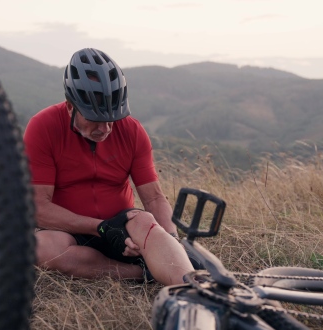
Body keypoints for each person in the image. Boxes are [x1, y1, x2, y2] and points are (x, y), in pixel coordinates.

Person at [23, 48, 198, 286]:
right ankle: (143, 274)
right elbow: (38, 207)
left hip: (121, 224)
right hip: (67, 230)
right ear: (70, 106)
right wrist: (101, 228)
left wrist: (172, 240)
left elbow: (154, 198)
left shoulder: (132, 130)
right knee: (41, 248)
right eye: (95, 118)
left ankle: (191, 285)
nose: (105, 129)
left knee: (147, 223)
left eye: (112, 118)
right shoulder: (43, 127)